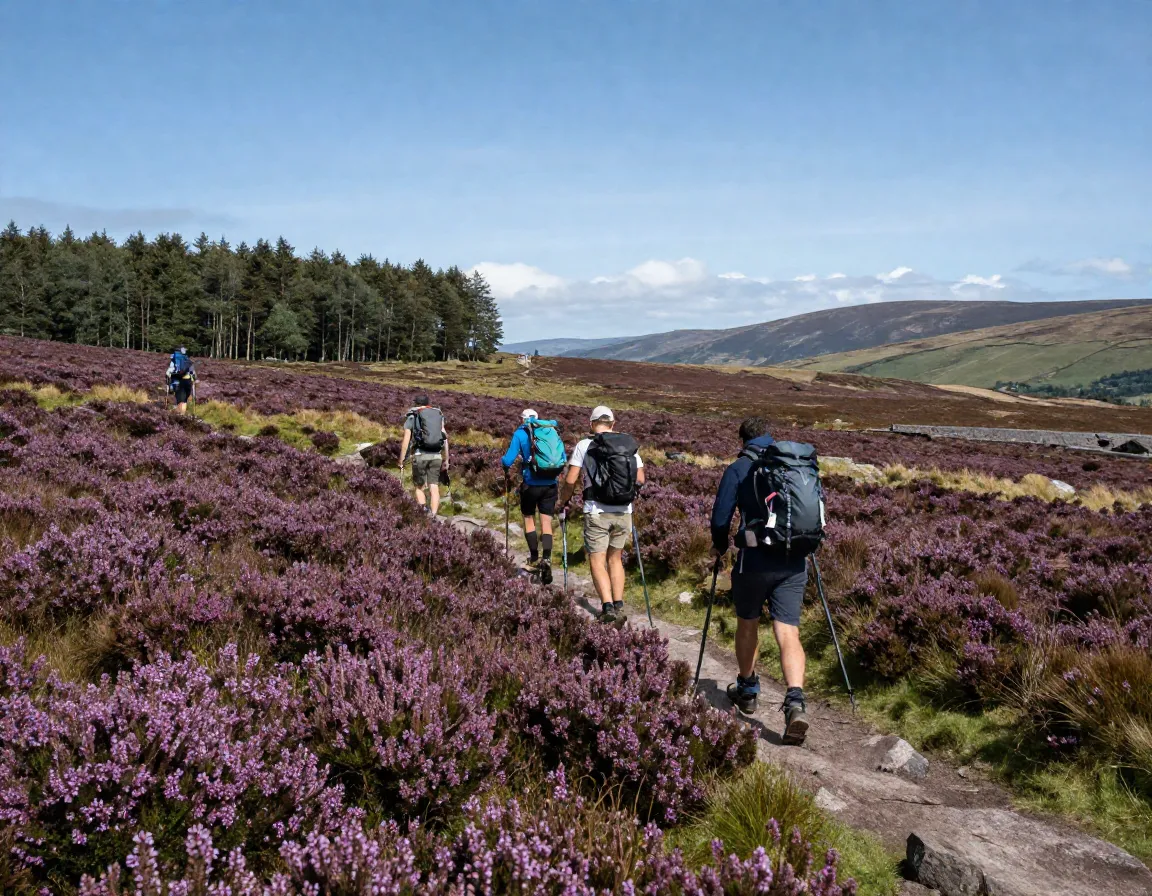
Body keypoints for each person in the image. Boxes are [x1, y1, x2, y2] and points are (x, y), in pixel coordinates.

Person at [709, 416, 810, 745]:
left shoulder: (739, 468)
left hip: (754, 559)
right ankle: (795, 702)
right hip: (794, 559)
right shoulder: (791, 464)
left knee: (748, 622)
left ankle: (748, 689)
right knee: (788, 630)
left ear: (742, 439)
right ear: (769, 435)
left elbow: (721, 517)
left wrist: (720, 546)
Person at [558, 405, 645, 623]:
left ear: (591, 423)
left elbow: (570, 480)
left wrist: (563, 501)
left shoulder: (585, 445)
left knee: (597, 559)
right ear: (613, 424)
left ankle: (607, 609)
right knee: (615, 559)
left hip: (596, 510)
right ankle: (619, 605)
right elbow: (641, 479)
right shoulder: (627, 444)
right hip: (624, 510)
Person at [501, 409, 566, 584]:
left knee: (529, 518)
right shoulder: (550, 432)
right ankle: (547, 559)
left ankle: (534, 558)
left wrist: (505, 465)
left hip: (530, 484)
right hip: (550, 485)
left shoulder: (521, 433)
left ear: (522, 419)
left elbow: (508, 460)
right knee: (546, 522)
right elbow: (563, 458)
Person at [399, 394, 449, 515]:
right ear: (428, 403)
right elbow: (445, 438)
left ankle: (423, 513)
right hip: (436, 455)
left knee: (419, 487)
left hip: (419, 455)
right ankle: (434, 515)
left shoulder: (412, 416)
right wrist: (446, 459)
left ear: (415, 403)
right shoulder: (438, 415)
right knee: (434, 486)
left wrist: (401, 460)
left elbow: (406, 440)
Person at [166, 346, 196, 415]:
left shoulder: (174, 359)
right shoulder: (187, 359)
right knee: (184, 400)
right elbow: (192, 372)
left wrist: (168, 377)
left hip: (179, 381)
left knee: (180, 400)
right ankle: (182, 414)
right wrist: (193, 379)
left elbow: (169, 372)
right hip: (188, 381)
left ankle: (180, 415)